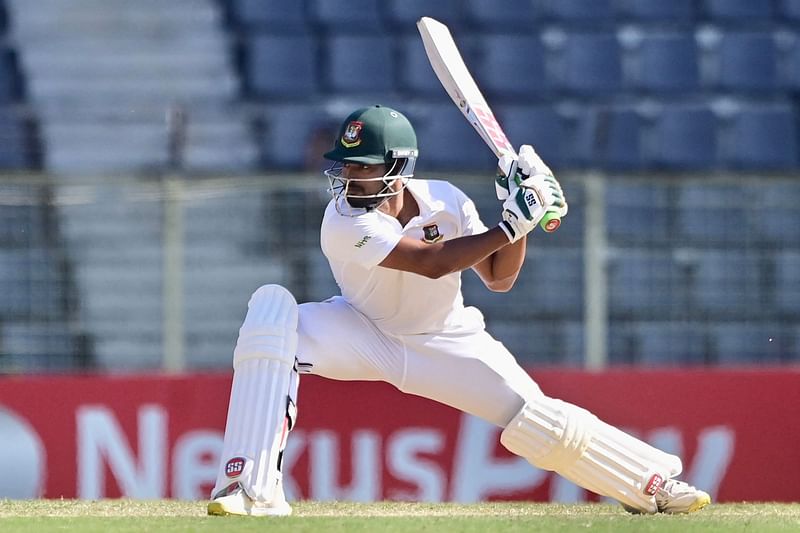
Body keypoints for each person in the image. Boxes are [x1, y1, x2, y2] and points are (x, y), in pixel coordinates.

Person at [207, 105, 711, 517]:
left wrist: (519, 216)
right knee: (272, 311)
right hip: (362, 329)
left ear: (399, 168)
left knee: (540, 421)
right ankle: (247, 486)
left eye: (365, 166)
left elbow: (499, 276)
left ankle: (655, 486)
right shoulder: (341, 221)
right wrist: (512, 223)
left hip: (447, 340)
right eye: (347, 166)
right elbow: (429, 264)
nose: (352, 177)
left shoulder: (446, 201)